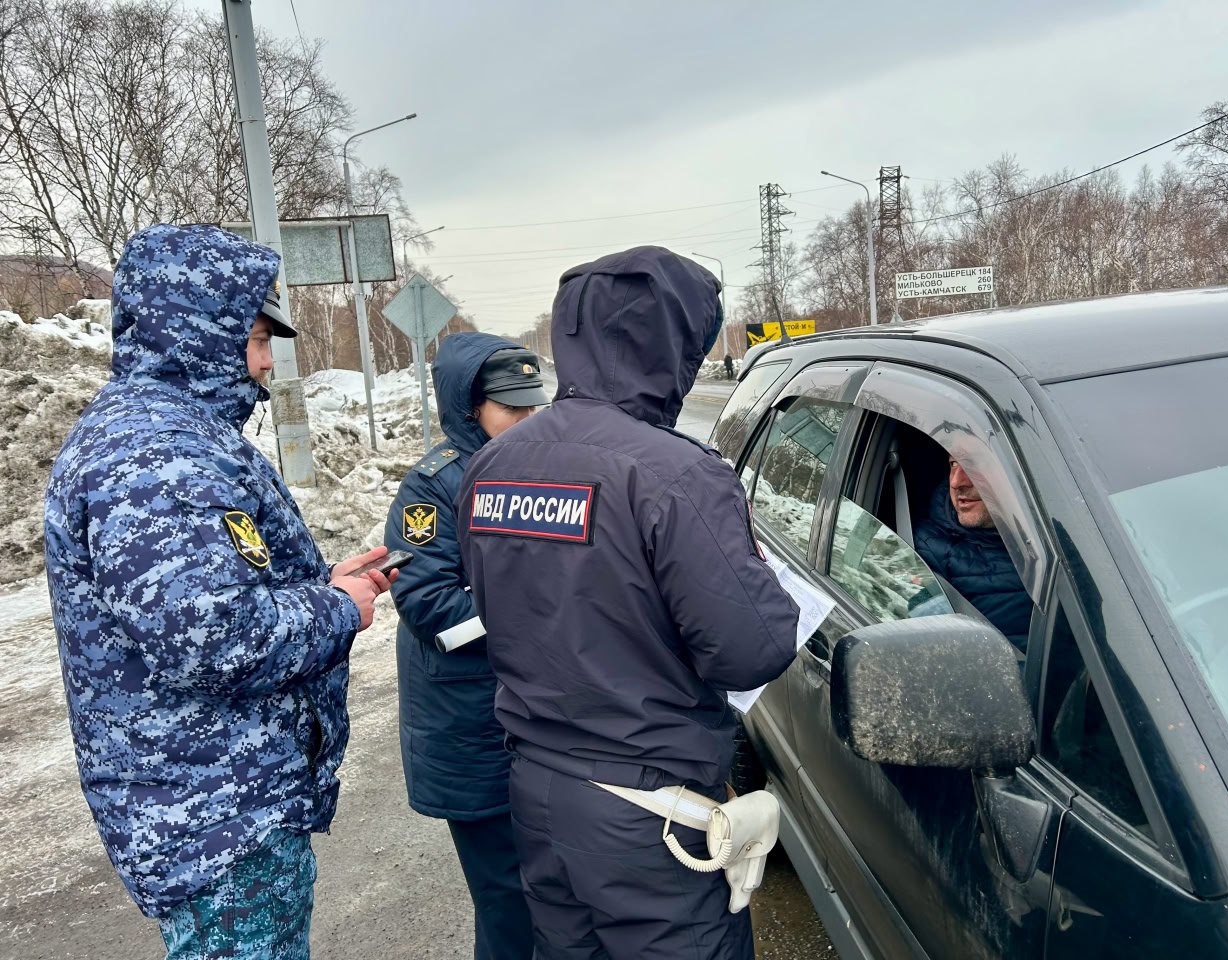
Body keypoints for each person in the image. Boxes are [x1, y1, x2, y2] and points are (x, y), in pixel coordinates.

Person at [43, 223, 395, 959]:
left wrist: (317, 584)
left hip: (220, 801)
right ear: (197, 330)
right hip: (214, 815)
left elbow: (209, 593)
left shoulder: (170, 433)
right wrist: (338, 608)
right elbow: (210, 637)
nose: (267, 362)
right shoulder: (156, 453)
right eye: (258, 340)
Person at [455, 246, 800, 960]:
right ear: (672, 342)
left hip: (539, 791)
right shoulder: (674, 472)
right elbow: (751, 651)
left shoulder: (493, 464)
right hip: (647, 815)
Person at [384, 334, 547, 960]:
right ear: (470, 406)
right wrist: (546, 613)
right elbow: (429, 605)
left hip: (538, 721)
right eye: (511, 408)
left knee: (553, 890)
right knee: (509, 898)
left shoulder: (545, 469)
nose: (526, 419)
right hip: (472, 726)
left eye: (533, 405)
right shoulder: (434, 487)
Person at [914, 456, 1033, 650]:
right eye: (953, 464)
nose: (956, 482)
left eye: (975, 463)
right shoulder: (923, 552)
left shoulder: (1062, 539)